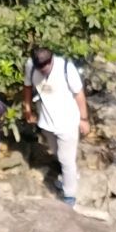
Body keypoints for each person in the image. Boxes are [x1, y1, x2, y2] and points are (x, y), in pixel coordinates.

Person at [22, 43, 89, 206]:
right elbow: (27, 87)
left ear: (52, 59)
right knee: (59, 155)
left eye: (46, 65)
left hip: (68, 122)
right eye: (40, 66)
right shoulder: (31, 67)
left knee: (66, 160)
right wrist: (27, 108)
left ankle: (69, 196)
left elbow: (79, 94)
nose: (43, 69)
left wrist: (84, 119)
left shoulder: (66, 68)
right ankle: (71, 177)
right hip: (47, 122)